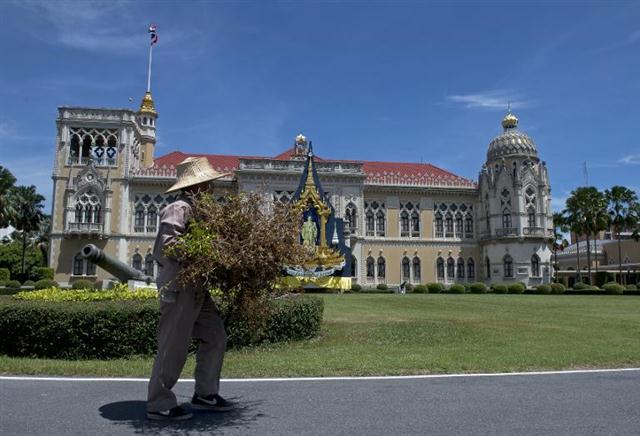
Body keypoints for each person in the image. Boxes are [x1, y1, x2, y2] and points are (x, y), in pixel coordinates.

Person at [146, 157, 233, 421]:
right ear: (195, 186)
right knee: (173, 345)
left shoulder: (203, 213)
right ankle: (159, 402)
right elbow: (168, 246)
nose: (211, 189)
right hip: (180, 286)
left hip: (198, 288)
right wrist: (205, 252)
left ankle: (205, 393)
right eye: (207, 184)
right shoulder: (179, 208)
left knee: (216, 336)